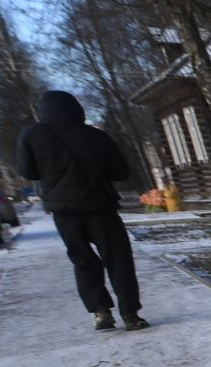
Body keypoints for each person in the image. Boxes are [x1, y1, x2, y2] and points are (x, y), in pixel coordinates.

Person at [16, 91, 146, 332]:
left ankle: (100, 312)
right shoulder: (96, 136)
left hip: (64, 212)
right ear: (76, 109)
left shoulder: (31, 135)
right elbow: (121, 172)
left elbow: (28, 172)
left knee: (83, 260)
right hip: (101, 207)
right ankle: (130, 314)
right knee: (119, 260)